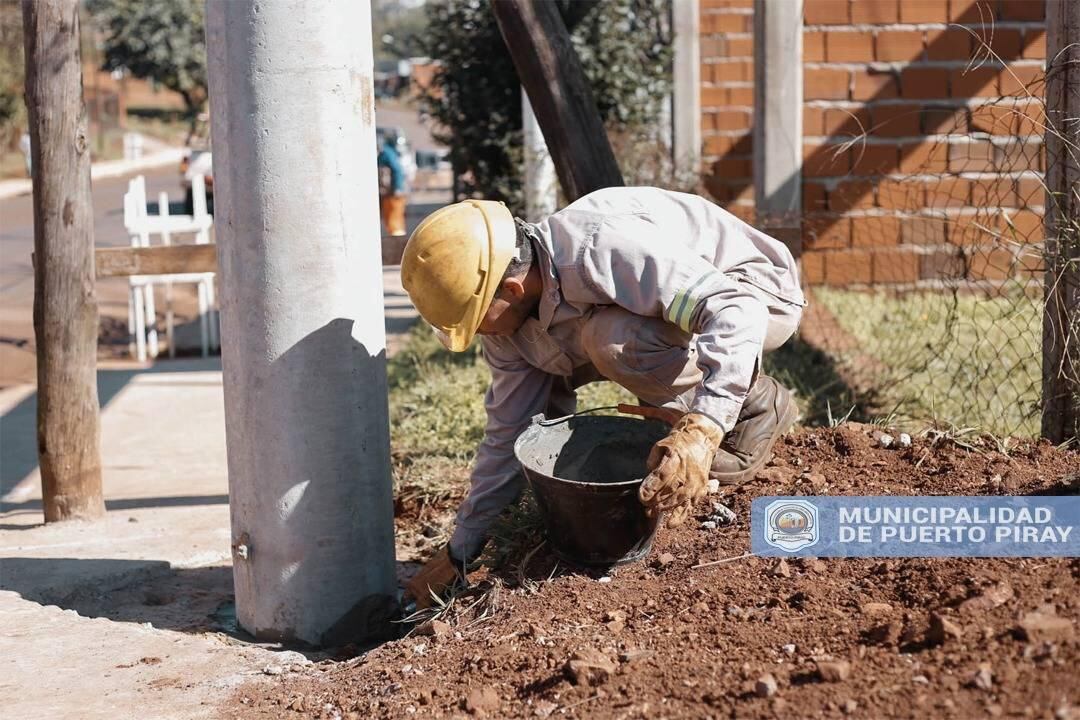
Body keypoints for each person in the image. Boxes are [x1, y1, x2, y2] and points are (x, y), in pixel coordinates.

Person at [400, 187, 806, 607]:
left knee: (613, 342)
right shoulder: (508, 327)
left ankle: (753, 405)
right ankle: (692, 414)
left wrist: (703, 428)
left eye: (474, 320)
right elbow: (509, 433)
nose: (479, 333)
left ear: (513, 290)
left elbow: (734, 308)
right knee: (578, 349)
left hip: (755, 291)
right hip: (694, 310)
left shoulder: (599, 249)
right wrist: (461, 550)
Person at [377, 132, 408, 236]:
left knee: (393, 219)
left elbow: (397, 170)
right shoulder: (391, 152)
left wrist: (397, 188)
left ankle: (397, 243)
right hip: (393, 191)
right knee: (394, 218)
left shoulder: (387, 152)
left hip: (393, 192)